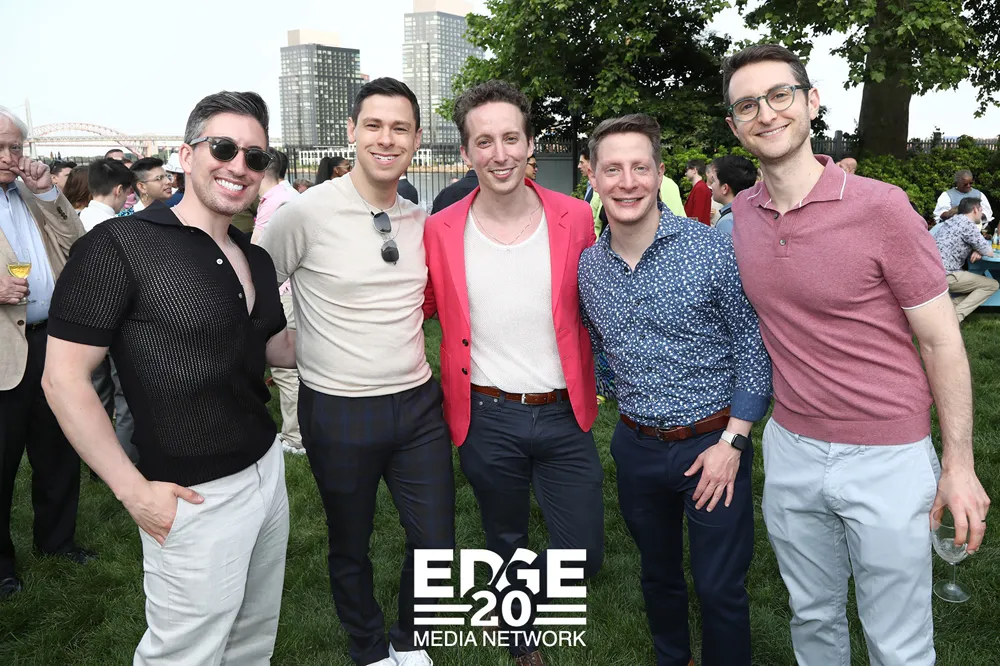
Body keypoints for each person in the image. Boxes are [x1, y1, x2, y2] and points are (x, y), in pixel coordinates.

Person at [723, 44, 991, 665]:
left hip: (888, 456)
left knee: (898, 642)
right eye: (747, 105)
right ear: (735, 126)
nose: (766, 113)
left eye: (780, 95)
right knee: (812, 617)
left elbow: (941, 340)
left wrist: (959, 464)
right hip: (791, 448)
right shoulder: (743, 214)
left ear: (812, 102)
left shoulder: (882, 207)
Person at [42, 91, 295, 664]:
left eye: (255, 156)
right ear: (186, 155)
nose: (239, 166)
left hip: (266, 469)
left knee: (252, 641)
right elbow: (63, 379)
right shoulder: (118, 246)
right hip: (190, 494)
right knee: (184, 653)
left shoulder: (254, 255)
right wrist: (133, 493)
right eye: (223, 148)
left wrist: (363, 319)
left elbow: (275, 348)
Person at [260, 78, 452, 666]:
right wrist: (280, 349)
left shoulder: (421, 219)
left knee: (436, 539)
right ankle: (367, 646)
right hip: (337, 408)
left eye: (400, 128)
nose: (386, 139)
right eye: (374, 125)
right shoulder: (304, 213)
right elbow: (253, 292)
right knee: (350, 540)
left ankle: (411, 638)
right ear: (351, 131)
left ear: (416, 139)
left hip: (418, 405)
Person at [579, 113, 771, 666]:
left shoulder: (711, 248)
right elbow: (600, 351)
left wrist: (732, 442)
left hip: (713, 445)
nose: (627, 182)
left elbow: (753, 349)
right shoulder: (589, 267)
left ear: (659, 173)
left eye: (640, 168)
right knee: (657, 575)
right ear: (593, 177)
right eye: (613, 169)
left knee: (718, 586)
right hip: (636, 446)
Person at [424, 80, 604, 666]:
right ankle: (520, 634)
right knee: (505, 539)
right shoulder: (440, 228)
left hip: (563, 412)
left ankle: (530, 598)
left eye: (510, 138)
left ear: (530, 145)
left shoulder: (575, 216)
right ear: (466, 152)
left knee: (584, 551)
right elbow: (417, 305)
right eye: (484, 141)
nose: (498, 154)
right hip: (486, 413)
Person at [0, 105, 92, 601]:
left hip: (51, 341)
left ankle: (57, 543)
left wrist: (48, 194)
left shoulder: (29, 194)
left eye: (15, 146)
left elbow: (77, 244)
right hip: (3, 352)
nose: (9, 156)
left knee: (58, 449)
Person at [78, 158, 139, 464]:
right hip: (114, 322)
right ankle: (127, 462)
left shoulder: (77, 219)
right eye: (128, 193)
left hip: (80, 321)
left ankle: (96, 461)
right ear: (118, 191)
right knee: (125, 397)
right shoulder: (116, 229)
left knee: (97, 393)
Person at [251, 148, 303, 456]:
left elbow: (259, 253)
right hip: (292, 292)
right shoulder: (286, 196)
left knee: (286, 371)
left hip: (283, 294)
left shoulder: (276, 203)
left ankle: (296, 437)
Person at [934, 196, 998, 322]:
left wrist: (976, 249)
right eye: (981, 210)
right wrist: (979, 249)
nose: (982, 214)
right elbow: (989, 252)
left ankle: (946, 310)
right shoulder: (968, 225)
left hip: (932, 272)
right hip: (947, 274)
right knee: (991, 285)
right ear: (975, 209)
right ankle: (955, 318)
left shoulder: (952, 221)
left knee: (976, 286)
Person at [707, 155, 757, 236]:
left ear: (725, 188)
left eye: (714, 181)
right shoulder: (753, 214)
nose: (711, 186)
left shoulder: (726, 222)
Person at [683, 159, 712, 225]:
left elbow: (697, 216)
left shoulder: (700, 188)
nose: (685, 173)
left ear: (694, 170)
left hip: (697, 229)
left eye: (687, 170)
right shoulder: (700, 187)